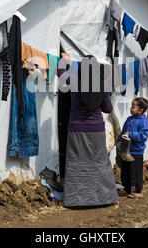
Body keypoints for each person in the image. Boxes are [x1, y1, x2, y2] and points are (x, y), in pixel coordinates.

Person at [57, 53, 118, 207]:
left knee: (77, 164)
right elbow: (108, 108)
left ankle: (75, 200)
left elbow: (60, 72)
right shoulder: (101, 85)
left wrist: (64, 59)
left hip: (76, 128)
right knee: (98, 163)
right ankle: (103, 198)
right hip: (96, 130)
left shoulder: (74, 81)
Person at [117, 97, 148, 198]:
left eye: (133, 107)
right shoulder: (129, 119)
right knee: (125, 171)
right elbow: (124, 132)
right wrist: (119, 139)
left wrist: (131, 134)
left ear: (141, 110)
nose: (130, 109)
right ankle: (126, 189)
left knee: (135, 172)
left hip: (136, 152)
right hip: (126, 151)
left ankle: (136, 190)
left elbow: (144, 135)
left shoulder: (144, 121)